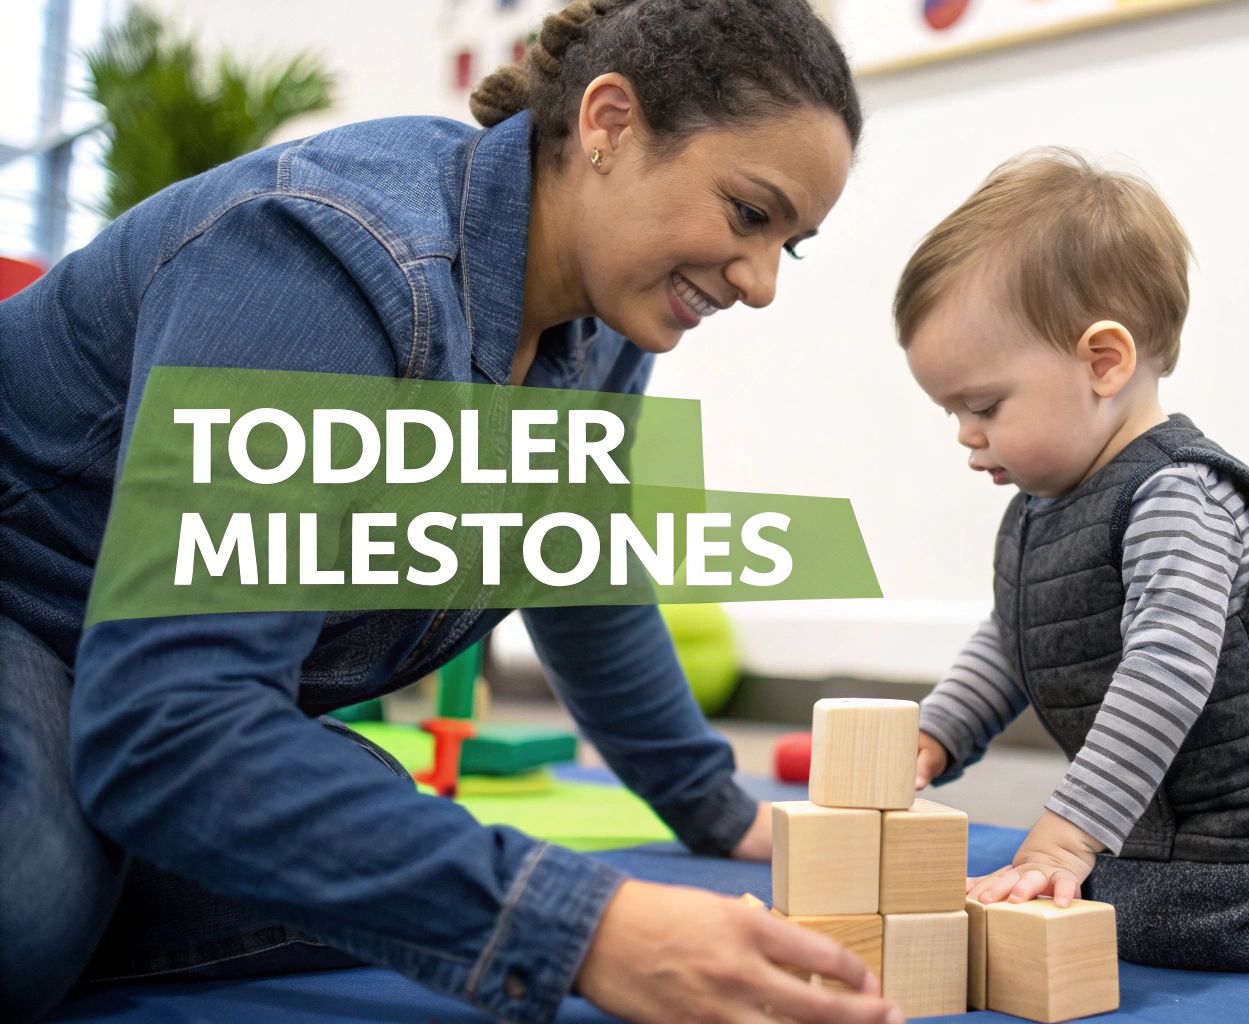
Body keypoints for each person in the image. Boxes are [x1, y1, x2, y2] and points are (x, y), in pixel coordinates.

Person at [0, 2, 902, 1023]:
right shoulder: (328, 255)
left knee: (368, 842)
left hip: (129, 670)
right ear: (608, 122)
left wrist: (710, 804)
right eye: (749, 212)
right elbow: (174, 718)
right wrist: (580, 925)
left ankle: (102, 800)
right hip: (28, 615)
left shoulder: (604, 328)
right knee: (35, 899)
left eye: (794, 244)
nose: (762, 282)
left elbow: (573, 563)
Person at [895, 149, 1249, 970]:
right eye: (952, 410)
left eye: (984, 405)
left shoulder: (1179, 495)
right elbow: (1015, 636)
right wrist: (936, 734)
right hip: (1179, 821)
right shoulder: (1039, 505)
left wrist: (1068, 839)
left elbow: (1166, 669)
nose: (964, 433)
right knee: (1099, 906)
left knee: (1158, 922)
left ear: (1104, 362)